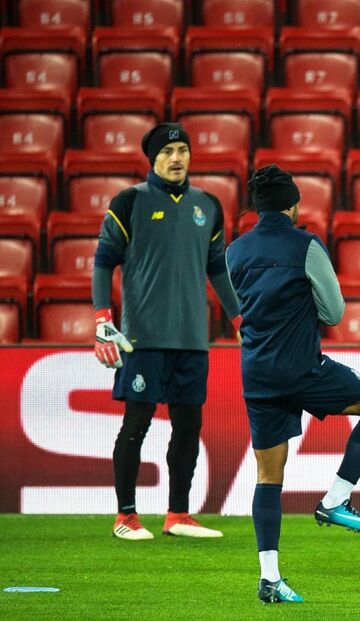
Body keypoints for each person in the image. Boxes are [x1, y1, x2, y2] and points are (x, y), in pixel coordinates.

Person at [226, 164, 360, 604]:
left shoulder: (234, 251)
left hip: (256, 373)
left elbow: (238, 308)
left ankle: (270, 579)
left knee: (268, 476)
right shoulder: (306, 244)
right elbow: (335, 311)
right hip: (302, 368)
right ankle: (336, 500)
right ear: (293, 204)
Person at [93, 122, 241, 541]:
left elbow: (218, 268)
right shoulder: (128, 202)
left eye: (183, 150)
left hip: (192, 338)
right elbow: (104, 261)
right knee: (136, 422)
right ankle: (126, 516)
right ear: (153, 159)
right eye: (168, 152)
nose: (177, 158)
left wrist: (238, 319)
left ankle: (178, 514)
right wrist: (103, 316)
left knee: (189, 424)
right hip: (143, 336)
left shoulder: (208, 205)